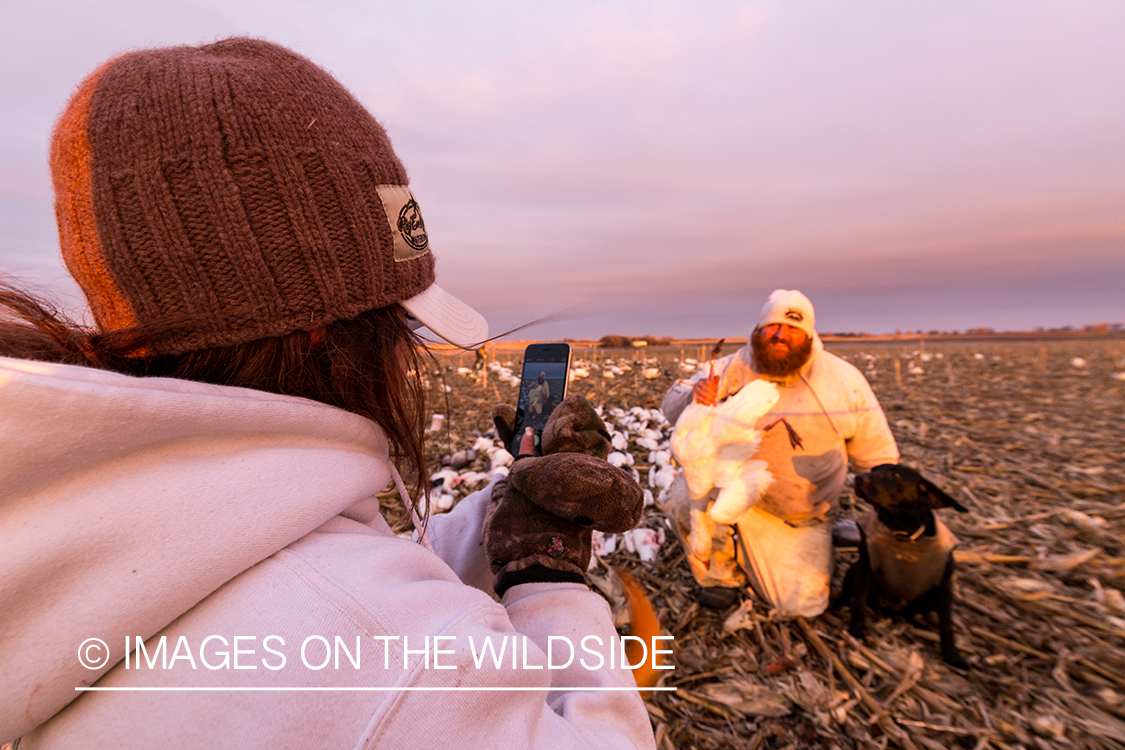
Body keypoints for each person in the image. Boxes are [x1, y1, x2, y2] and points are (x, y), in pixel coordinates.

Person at [0, 38, 655, 749]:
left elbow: (293, 564)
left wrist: (493, 523)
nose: (402, 358)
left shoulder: (73, 503)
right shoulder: (393, 667)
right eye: (397, 322)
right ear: (322, 335)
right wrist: (546, 578)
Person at [662, 290, 899, 616]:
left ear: (809, 333)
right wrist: (694, 397)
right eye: (771, 327)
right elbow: (672, 406)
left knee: (803, 606)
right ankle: (718, 577)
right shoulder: (731, 367)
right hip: (727, 488)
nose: (780, 335)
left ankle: (784, 543)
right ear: (759, 331)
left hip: (793, 515)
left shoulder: (843, 381)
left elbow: (877, 455)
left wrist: (888, 517)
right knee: (682, 500)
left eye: (791, 328)